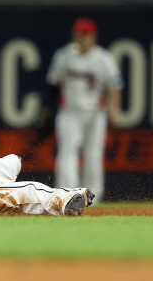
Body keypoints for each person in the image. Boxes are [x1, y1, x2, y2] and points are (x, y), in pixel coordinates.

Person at [42, 17, 123, 204]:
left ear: (93, 37)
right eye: (79, 34)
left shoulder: (103, 58)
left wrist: (114, 110)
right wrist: (45, 109)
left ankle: (92, 197)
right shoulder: (64, 56)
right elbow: (53, 85)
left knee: (93, 155)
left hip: (95, 114)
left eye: (85, 34)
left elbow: (114, 86)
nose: (81, 37)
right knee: (67, 153)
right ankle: (67, 194)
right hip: (70, 112)